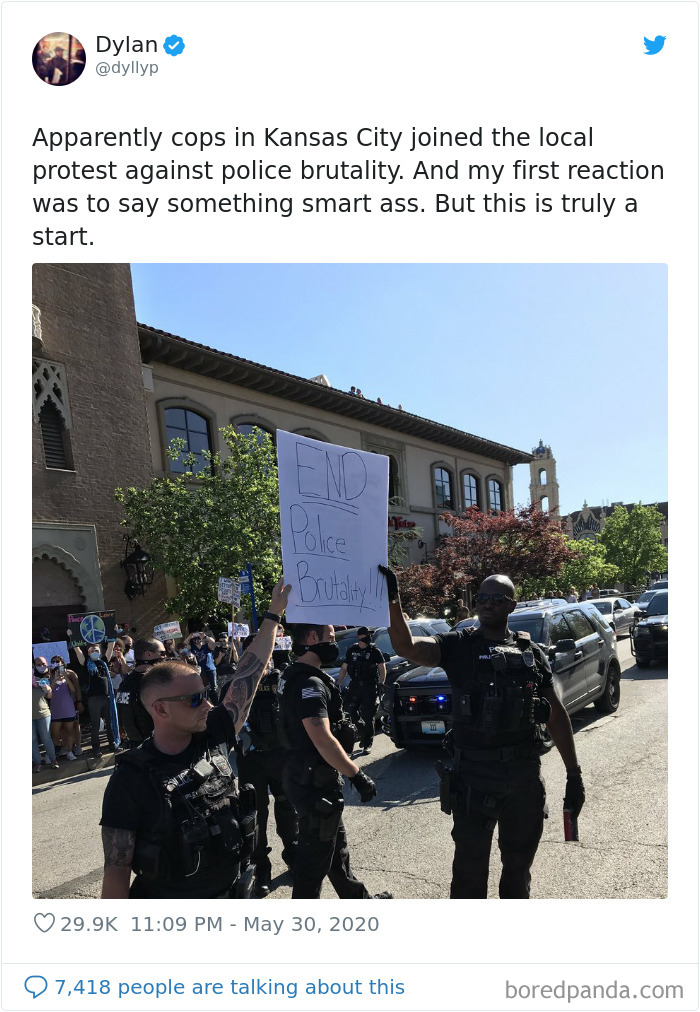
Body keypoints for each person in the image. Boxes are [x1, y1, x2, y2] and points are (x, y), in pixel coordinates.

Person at [379, 565, 585, 899]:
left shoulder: (530, 653)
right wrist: (392, 599)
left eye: (497, 598)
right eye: (481, 598)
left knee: (518, 872)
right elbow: (406, 647)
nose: (487, 604)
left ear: (512, 606)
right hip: (474, 778)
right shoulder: (458, 645)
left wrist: (574, 774)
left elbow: (557, 716)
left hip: (523, 778)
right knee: (469, 875)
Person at [100, 580, 291, 899]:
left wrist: (273, 613)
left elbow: (249, 674)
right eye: (193, 700)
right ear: (160, 710)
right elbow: (116, 871)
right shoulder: (129, 780)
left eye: (205, 695)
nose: (208, 705)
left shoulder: (212, 731)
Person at [277, 623, 391, 900]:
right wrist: (356, 775)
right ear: (313, 638)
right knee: (312, 866)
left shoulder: (294, 675)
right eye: (330, 638)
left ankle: (359, 900)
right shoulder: (310, 683)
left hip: (309, 775)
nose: (334, 643)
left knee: (336, 850)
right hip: (313, 781)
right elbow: (321, 737)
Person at [235, 667, 299, 896]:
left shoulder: (282, 678)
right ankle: (261, 868)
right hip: (251, 760)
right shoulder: (238, 683)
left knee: (288, 808)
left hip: (281, 756)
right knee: (255, 814)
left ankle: (294, 856)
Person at [338, 627, 386, 753]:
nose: (368, 637)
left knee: (368, 715)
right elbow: (344, 668)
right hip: (355, 686)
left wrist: (382, 683)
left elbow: (382, 668)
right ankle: (363, 730)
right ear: (359, 636)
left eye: (369, 635)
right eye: (365, 635)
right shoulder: (352, 650)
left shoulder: (374, 651)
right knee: (350, 711)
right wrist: (338, 683)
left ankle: (367, 744)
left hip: (369, 687)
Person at [115, 639, 166, 747]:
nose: (164, 657)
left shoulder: (125, 683)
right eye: (162, 653)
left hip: (136, 746)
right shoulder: (152, 683)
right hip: (156, 746)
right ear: (148, 654)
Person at [48, 656, 83, 759]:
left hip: (70, 705)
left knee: (72, 728)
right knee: (58, 730)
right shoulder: (49, 674)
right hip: (56, 708)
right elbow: (48, 691)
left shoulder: (70, 673)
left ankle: (74, 748)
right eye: (53, 661)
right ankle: (62, 748)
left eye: (57, 661)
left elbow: (75, 689)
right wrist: (55, 678)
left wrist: (79, 701)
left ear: (62, 662)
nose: (55, 663)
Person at [32, 664, 59, 771]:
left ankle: (53, 760)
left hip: (43, 714)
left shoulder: (40, 681)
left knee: (46, 738)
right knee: (31, 740)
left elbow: (49, 696)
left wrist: (48, 689)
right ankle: (37, 763)